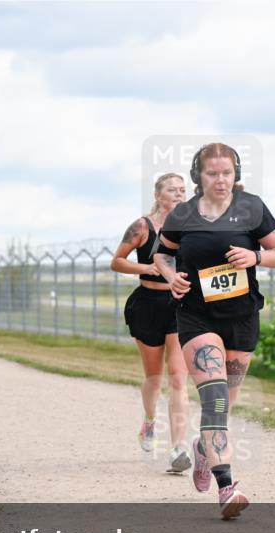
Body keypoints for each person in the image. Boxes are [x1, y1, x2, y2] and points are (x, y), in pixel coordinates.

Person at [154, 143, 275, 519]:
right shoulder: (182, 214)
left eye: (227, 172)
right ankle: (227, 486)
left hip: (242, 318)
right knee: (214, 401)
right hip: (197, 317)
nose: (220, 179)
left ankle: (203, 448)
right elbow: (161, 253)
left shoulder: (251, 208)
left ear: (236, 173)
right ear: (199, 176)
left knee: (224, 406)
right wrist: (171, 276)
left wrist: (256, 257)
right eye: (212, 173)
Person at [112, 172, 192, 473]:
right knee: (154, 378)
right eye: (173, 190)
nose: (179, 194)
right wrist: (149, 266)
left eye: (183, 190)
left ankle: (178, 449)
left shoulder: (191, 227)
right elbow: (117, 261)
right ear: (158, 195)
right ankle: (148, 421)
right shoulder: (142, 226)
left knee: (178, 377)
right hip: (147, 304)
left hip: (179, 306)